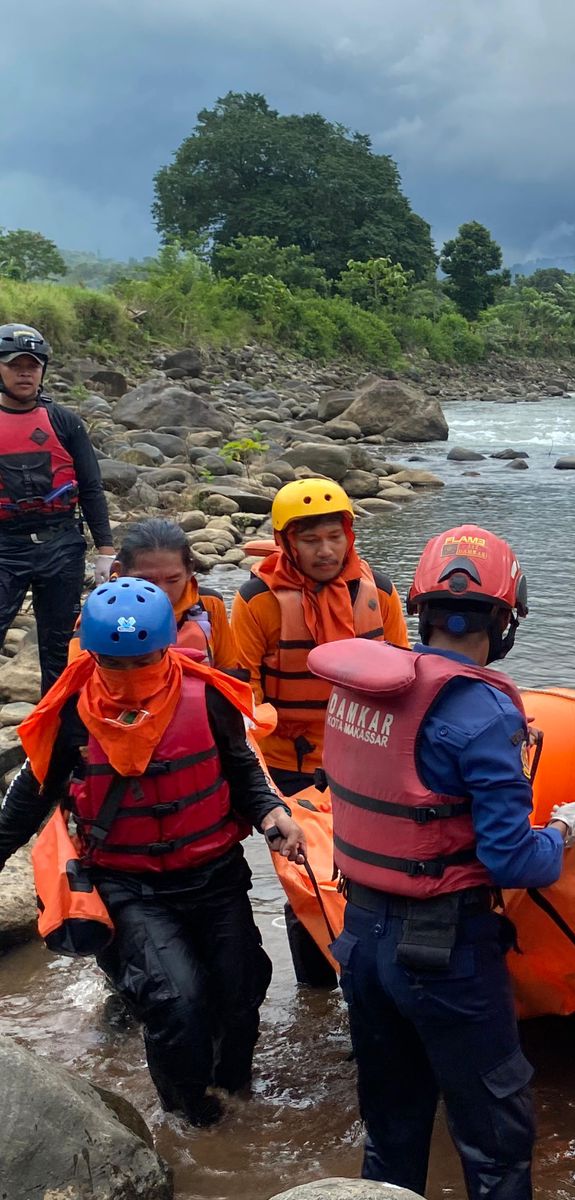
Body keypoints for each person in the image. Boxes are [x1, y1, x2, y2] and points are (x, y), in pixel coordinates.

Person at [311, 525, 575, 1200]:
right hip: (444, 954)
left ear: (421, 610)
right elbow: (511, 856)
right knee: (496, 1139)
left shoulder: (356, 689)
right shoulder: (483, 710)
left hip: (362, 939)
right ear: (504, 621)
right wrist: (564, 836)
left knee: (392, 1126)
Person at [0, 580, 304, 1125]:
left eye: (142, 658)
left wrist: (272, 812)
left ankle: (235, 1090)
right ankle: (192, 1121)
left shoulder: (208, 694)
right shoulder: (67, 714)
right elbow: (26, 800)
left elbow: (243, 770)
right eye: (116, 662)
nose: (131, 672)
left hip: (214, 875)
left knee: (241, 987)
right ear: (92, 655)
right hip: (128, 885)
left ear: (166, 645)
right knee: (176, 1001)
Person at [230, 478, 408, 795]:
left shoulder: (378, 591)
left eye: (335, 537)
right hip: (287, 761)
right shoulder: (257, 599)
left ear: (349, 536)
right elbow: (244, 688)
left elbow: (407, 676)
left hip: (368, 752)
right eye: (311, 541)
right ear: (286, 543)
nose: (326, 551)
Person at [0, 323, 116, 691]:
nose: (25, 372)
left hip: (60, 545)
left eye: (33, 365)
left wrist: (106, 550)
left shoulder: (64, 422)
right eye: (15, 364)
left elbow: (92, 488)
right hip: (4, 545)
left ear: (43, 370)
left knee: (58, 647)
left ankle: (58, 739)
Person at [68, 518, 242, 672]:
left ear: (190, 570)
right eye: (147, 580)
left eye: (173, 579)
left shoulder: (209, 605)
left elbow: (231, 674)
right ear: (118, 571)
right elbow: (77, 687)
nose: (161, 591)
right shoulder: (98, 616)